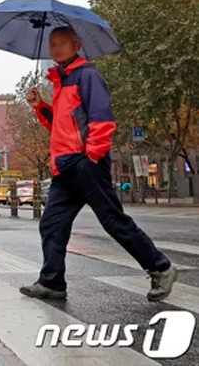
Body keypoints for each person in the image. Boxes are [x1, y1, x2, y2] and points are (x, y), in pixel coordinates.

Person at [20, 26, 176, 302]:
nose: (56, 49)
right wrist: (39, 105)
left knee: (113, 221)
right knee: (51, 224)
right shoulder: (63, 81)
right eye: (52, 45)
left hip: (85, 164)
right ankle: (52, 282)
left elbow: (102, 119)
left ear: (76, 45)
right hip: (65, 167)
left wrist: (92, 155)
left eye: (62, 44)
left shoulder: (86, 76)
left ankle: (161, 268)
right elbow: (61, 125)